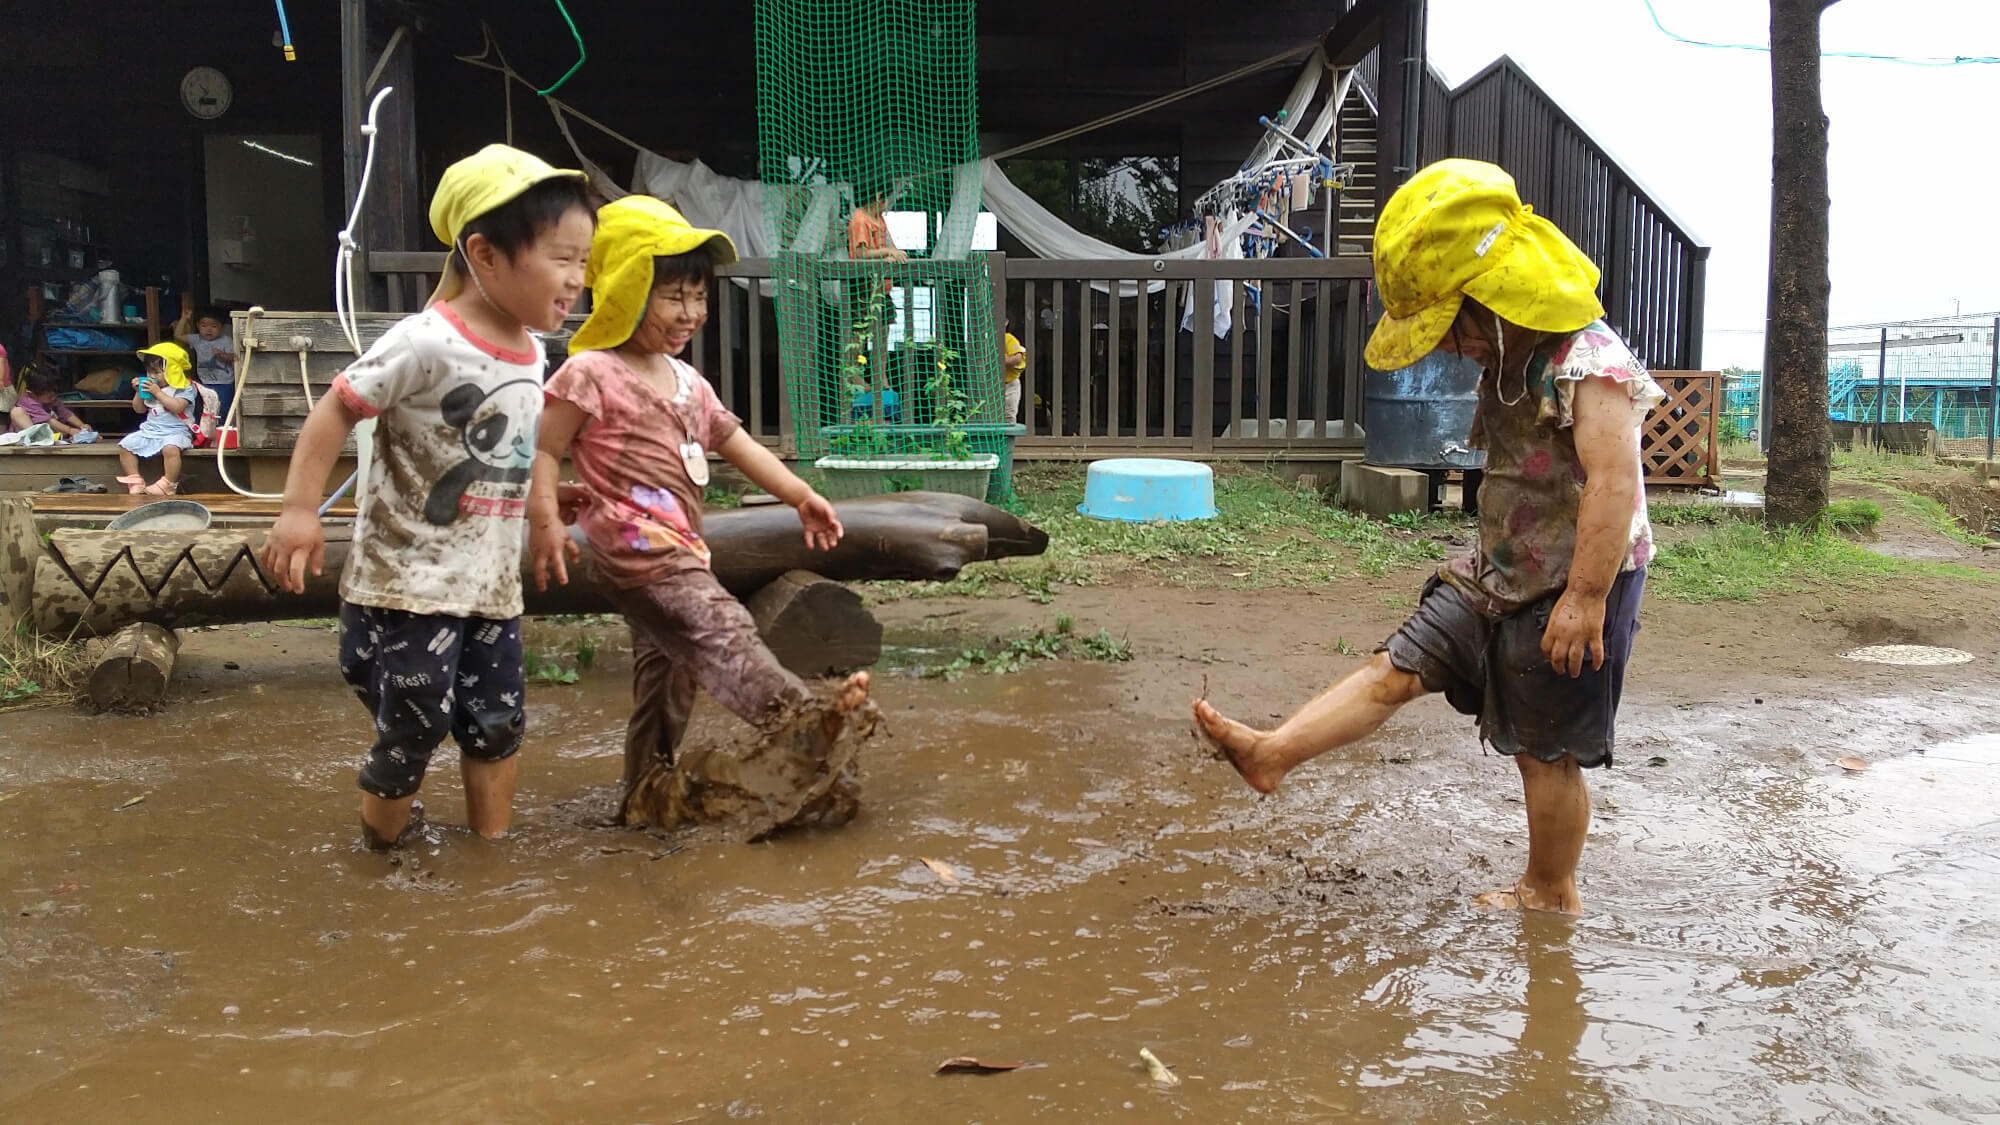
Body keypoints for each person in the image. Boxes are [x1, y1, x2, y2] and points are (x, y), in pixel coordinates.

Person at [1191, 159, 1664, 916]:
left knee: (1546, 751)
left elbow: (1613, 485)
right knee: (1399, 664)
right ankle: (1272, 754)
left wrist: (1583, 597)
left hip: (1578, 579)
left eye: (1451, 327)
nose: (1449, 348)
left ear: (1492, 297)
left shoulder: (1588, 362)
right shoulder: (1506, 353)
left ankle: (1550, 890)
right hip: (1500, 566)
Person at [259, 144, 594, 851]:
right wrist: (298, 510)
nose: (576, 280)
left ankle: (490, 854)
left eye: (584, 262)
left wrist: (543, 503)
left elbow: (512, 448)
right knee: (415, 726)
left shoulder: (534, 351)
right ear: (486, 253)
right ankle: (380, 857)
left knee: (497, 723)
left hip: (490, 587)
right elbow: (335, 410)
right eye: (562, 258)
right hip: (407, 586)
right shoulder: (424, 341)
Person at [528, 194, 873, 814]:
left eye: (699, 297)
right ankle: (801, 716)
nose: (690, 313)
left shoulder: (689, 382)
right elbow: (545, 450)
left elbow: (736, 443)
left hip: (681, 547)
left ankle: (644, 799)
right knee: (723, 623)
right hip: (636, 548)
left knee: (667, 680)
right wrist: (547, 518)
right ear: (627, 291)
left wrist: (799, 494)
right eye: (672, 297)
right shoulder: (591, 373)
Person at [116, 342, 197, 495]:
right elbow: (138, 409)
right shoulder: (152, 388)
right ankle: (135, 480)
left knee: (170, 449)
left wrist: (158, 393)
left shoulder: (185, 387)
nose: (151, 376)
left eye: (157, 372)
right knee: (125, 445)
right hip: (150, 430)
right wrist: (138, 393)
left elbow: (177, 407)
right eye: (149, 372)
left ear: (173, 371)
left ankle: (168, 483)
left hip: (176, 431)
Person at [185, 308, 239, 421]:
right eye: (204, 326)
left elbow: (236, 358)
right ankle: (206, 433)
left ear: (221, 327)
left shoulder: (227, 341)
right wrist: (184, 319)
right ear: (198, 326)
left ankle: (222, 430)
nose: (208, 330)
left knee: (223, 409)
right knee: (205, 409)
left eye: (214, 326)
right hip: (204, 383)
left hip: (224, 383)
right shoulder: (197, 339)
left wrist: (222, 355)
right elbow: (178, 335)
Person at [8, 367, 92, 438]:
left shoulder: (52, 400)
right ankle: (37, 438)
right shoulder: (28, 402)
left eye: (54, 394)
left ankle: (50, 437)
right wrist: (70, 430)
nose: (53, 398)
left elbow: (66, 413)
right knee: (17, 412)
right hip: (27, 434)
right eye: (49, 396)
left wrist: (82, 426)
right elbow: (49, 421)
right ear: (32, 394)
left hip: (48, 432)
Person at [1002, 317, 1027, 423]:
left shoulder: (1008, 338)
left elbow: (1017, 358)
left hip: (1009, 384)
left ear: (1006, 322)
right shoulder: (986, 339)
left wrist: (998, 361)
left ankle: (1007, 439)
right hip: (992, 384)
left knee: (1009, 415)